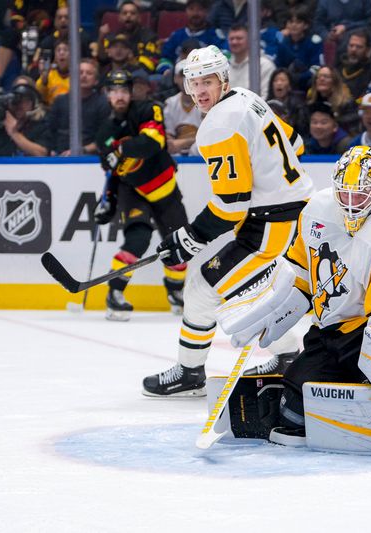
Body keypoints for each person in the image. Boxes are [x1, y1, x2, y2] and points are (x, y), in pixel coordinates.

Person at [219, 146, 371, 445]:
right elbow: (300, 273)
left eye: (361, 195)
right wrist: (278, 306)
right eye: (345, 194)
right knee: (294, 412)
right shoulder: (316, 211)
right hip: (333, 334)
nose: (351, 204)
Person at [143, 45, 315, 397]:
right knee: (258, 294)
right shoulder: (248, 97)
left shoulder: (219, 124)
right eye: (194, 83)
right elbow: (295, 144)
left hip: (272, 228)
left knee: (202, 289)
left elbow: (231, 205)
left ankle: (190, 374)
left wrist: (187, 239)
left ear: (223, 79)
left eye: (208, 81)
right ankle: (285, 358)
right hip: (297, 215)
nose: (200, 91)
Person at [93, 70, 189, 321]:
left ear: (130, 92)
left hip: (165, 188)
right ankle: (115, 294)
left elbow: (153, 143)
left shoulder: (148, 109)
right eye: (114, 91)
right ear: (107, 95)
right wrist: (108, 202)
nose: (119, 96)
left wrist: (123, 148)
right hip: (133, 192)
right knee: (138, 239)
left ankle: (175, 292)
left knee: (179, 244)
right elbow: (112, 173)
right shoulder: (104, 132)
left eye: (123, 90)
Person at [47, 58, 110, 155]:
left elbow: (108, 139)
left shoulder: (103, 104)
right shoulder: (60, 101)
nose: (84, 76)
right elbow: (50, 130)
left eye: (89, 73)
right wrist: (51, 151)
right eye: (80, 72)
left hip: (90, 159)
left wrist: (83, 150)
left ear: (96, 81)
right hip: (59, 157)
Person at [157, 0, 228, 75]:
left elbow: (226, 56)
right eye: (191, 9)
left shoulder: (216, 36)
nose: (195, 13)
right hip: (177, 78)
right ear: (186, 11)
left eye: (199, 9)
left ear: (207, 12)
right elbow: (165, 58)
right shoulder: (176, 35)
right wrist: (167, 71)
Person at [0, 77, 50, 156]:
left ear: (32, 103)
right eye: (16, 97)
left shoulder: (40, 126)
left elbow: (42, 153)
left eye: (25, 99)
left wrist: (14, 133)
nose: (19, 103)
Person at [98, 1, 160, 73]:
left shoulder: (149, 37)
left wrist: (131, 63)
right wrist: (101, 38)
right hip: (113, 74)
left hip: (138, 76)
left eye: (132, 13)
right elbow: (103, 59)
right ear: (119, 17)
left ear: (139, 17)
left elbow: (149, 65)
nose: (128, 16)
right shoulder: (113, 36)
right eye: (124, 13)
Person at [163, 60, 203, 156]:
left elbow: (210, 137)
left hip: (202, 152)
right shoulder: (170, 103)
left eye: (191, 75)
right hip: (177, 154)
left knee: (196, 148)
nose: (187, 80)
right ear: (175, 78)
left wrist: (183, 142)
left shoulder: (206, 101)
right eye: (183, 75)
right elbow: (169, 137)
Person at [227, 23, 276, 97]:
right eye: (231, 39)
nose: (234, 42)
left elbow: (265, 98)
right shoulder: (225, 68)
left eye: (239, 38)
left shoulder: (265, 65)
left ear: (250, 40)